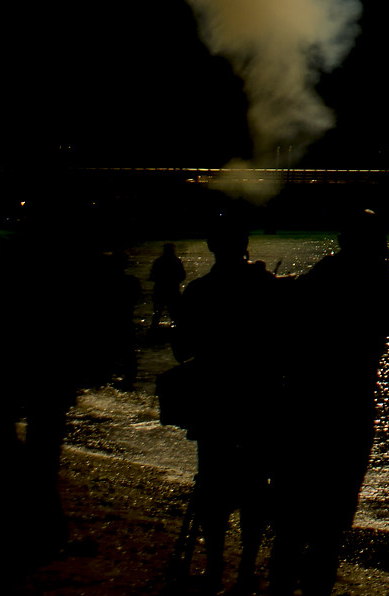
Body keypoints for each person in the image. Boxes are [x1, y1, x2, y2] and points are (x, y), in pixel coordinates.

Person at [270, 214, 389, 596]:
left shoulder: (319, 276)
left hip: (306, 399)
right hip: (351, 401)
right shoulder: (379, 278)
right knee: (333, 515)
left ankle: (282, 582)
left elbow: (288, 324)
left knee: (293, 510)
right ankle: (316, 586)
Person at [174, 225, 285, 583]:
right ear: (246, 246)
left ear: (211, 248)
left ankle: (215, 564)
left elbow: (182, 350)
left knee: (213, 486)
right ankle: (248, 567)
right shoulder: (266, 287)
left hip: (214, 401)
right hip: (259, 401)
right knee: (255, 487)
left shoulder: (199, 291)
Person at [149, 242, 187, 329]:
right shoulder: (176, 261)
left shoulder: (158, 261)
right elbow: (182, 276)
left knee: (157, 313)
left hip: (160, 290)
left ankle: (154, 330)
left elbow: (152, 276)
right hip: (172, 290)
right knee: (174, 315)